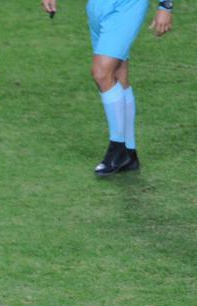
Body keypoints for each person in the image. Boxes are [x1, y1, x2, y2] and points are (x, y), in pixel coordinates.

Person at [41, 0, 174, 176]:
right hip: (98, 6)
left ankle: (117, 148)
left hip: (127, 6)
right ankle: (129, 152)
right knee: (118, 72)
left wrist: (165, 6)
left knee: (101, 72)